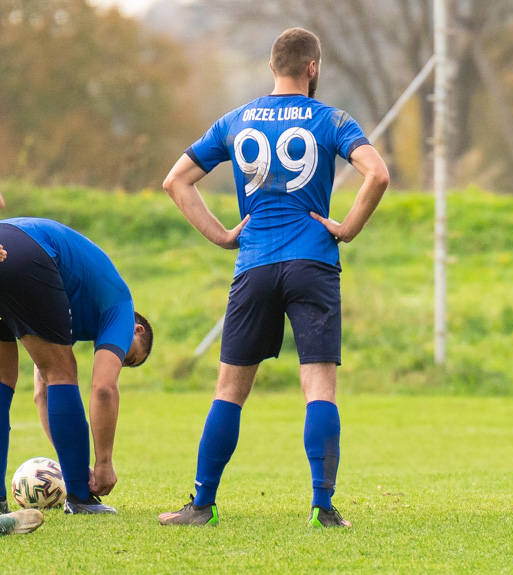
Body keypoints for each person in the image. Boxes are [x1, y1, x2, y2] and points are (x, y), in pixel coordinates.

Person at [158, 27, 389, 528]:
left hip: (255, 264)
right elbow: (378, 173)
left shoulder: (236, 120)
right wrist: (347, 228)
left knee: (229, 391)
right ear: (313, 68)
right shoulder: (331, 118)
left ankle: (201, 505)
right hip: (313, 264)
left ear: (272, 67)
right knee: (319, 388)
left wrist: (222, 235)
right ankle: (322, 507)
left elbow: (175, 180)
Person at [0, 217, 154, 515]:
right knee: (62, 371)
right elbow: (104, 388)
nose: (122, 359)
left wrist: (74, 463)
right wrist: (103, 463)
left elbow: (42, 394)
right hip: (27, 252)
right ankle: (82, 499)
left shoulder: (68, 310)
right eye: (130, 357)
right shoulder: (121, 307)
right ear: (138, 331)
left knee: (3, 378)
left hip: (6, 242)